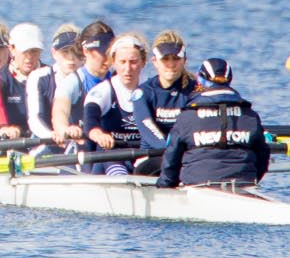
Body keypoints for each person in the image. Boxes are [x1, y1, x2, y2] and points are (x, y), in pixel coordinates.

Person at [158, 58, 269, 189]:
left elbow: (171, 160)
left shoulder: (187, 116)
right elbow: (263, 157)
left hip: (197, 185)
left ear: (200, 81)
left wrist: (164, 186)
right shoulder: (250, 115)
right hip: (244, 185)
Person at [81, 33, 149, 176]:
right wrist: (98, 135)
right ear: (113, 62)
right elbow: (90, 121)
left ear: (143, 62)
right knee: (115, 166)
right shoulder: (103, 91)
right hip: (109, 156)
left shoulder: (150, 90)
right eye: (122, 62)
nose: (128, 68)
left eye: (133, 62)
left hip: (142, 155)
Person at [135, 29, 198, 156]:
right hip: (152, 155)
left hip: (186, 155)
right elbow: (148, 129)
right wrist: (171, 148)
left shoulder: (195, 90)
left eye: (175, 59)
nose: (171, 64)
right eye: (165, 59)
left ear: (184, 60)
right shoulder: (143, 92)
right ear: (155, 61)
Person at [50, 19, 113, 145]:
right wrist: (65, 129)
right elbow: (59, 112)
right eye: (102, 52)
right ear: (86, 51)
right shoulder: (72, 82)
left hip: (113, 148)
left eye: (110, 52)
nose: (107, 58)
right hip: (82, 149)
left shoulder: (117, 79)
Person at [29, 23, 80, 144]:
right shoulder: (39, 77)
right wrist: (51, 135)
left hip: (82, 142)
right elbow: (35, 119)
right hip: (48, 142)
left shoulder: (89, 77)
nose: (71, 58)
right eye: (65, 52)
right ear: (54, 53)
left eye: (76, 52)